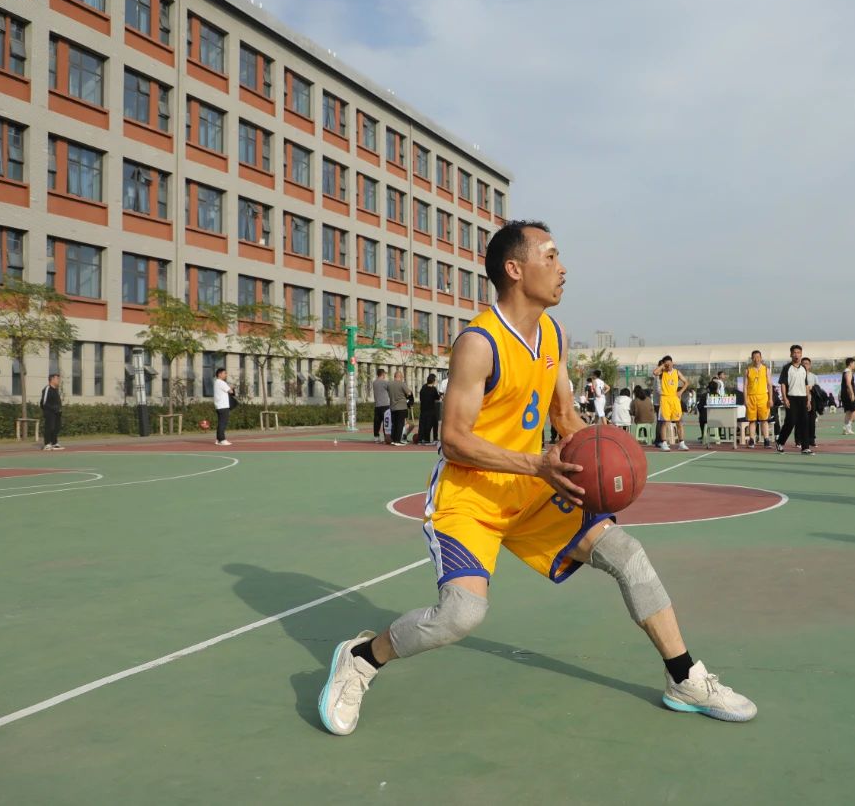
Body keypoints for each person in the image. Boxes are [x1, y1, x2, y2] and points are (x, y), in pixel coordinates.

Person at [318, 220, 756, 737]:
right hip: (470, 500)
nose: (562, 268)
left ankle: (684, 679)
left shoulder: (553, 335)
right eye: (550, 257)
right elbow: (453, 440)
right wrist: (536, 465)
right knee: (460, 616)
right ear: (514, 269)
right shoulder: (479, 343)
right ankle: (362, 658)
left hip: (532, 490)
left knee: (628, 554)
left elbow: (565, 417)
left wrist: (609, 458)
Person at [776, 345, 811, 454]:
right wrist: (785, 398)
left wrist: (808, 399)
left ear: (801, 354)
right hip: (791, 398)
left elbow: (806, 385)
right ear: (791, 354)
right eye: (794, 352)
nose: (796, 355)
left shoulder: (803, 368)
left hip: (803, 398)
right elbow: (783, 384)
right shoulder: (787, 368)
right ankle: (780, 442)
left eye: (798, 352)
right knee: (790, 422)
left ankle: (805, 447)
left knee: (804, 422)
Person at [653, 356, 689, 451]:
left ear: (672, 363)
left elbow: (686, 382)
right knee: (665, 422)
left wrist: (680, 392)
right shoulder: (662, 372)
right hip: (665, 399)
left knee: (679, 421)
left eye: (670, 363)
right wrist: (662, 366)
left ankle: (681, 443)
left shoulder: (677, 372)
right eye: (667, 364)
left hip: (674, 399)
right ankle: (664, 443)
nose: (668, 366)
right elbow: (655, 372)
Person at [743, 350, 772, 448]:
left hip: (763, 397)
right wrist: (745, 400)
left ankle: (766, 440)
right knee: (752, 420)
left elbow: (769, 385)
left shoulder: (766, 369)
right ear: (752, 358)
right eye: (754, 357)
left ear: (761, 358)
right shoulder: (748, 370)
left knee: (764, 420)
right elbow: (745, 386)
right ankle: (751, 440)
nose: (756, 359)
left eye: (758, 357)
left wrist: (770, 399)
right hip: (751, 397)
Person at [388, 370, 413, 445]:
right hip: (401, 407)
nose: (402, 378)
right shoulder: (402, 384)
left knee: (394, 424)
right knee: (400, 424)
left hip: (393, 406)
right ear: (400, 376)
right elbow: (409, 393)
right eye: (402, 377)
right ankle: (397, 440)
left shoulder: (389, 384)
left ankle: (393, 439)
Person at [40, 373, 64, 450]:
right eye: (57, 378)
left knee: (57, 427)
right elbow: (44, 402)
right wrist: (52, 409)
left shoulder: (56, 389)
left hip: (57, 413)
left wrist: (59, 409)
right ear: (52, 379)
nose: (59, 380)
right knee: (49, 427)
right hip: (49, 412)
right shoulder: (47, 389)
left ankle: (54, 443)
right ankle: (47, 444)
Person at [802, 357, 821, 451]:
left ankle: (811, 440)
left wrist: (811, 388)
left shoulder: (814, 376)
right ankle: (799, 440)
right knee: (801, 420)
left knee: (811, 420)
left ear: (810, 365)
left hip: (812, 399)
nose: (805, 365)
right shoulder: (798, 375)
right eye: (803, 363)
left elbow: (818, 388)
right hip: (801, 398)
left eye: (807, 363)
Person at [840, 357, 855, 435]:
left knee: (848, 411)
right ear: (850, 364)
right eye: (854, 363)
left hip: (845, 394)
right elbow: (848, 383)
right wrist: (852, 394)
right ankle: (848, 426)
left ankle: (845, 429)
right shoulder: (848, 372)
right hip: (848, 394)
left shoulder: (845, 371)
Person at [417, 373, 440, 444]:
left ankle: (420, 439)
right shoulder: (433, 389)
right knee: (433, 423)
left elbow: (421, 398)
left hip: (423, 409)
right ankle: (432, 438)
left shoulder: (423, 388)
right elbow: (437, 397)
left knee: (422, 424)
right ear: (433, 381)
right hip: (431, 409)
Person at [213, 367, 233, 446]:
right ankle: (222, 439)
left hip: (219, 406)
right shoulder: (221, 382)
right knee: (223, 423)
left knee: (220, 423)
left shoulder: (216, 382)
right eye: (224, 373)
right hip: (223, 406)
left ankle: (218, 439)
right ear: (219, 374)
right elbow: (230, 391)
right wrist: (231, 387)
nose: (226, 375)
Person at [371, 368, 392, 444]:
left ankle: (376, 437)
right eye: (384, 374)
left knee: (377, 422)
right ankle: (385, 437)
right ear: (383, 374)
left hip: (377, 405)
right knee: (386, 423)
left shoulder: (374, 382)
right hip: (385, 405)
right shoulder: (385, 382)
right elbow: (390, 389)